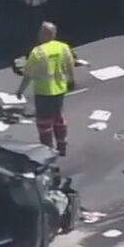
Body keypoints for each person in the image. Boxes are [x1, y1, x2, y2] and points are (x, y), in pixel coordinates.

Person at [15, 22, 77, 155]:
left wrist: (21, 90)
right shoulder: (63, 47)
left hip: (43, 92)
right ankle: (62, 145)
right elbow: (70, 65)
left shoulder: (37, 52)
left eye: (41, 32)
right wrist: (71, 80)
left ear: (46, 34)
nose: (38, 34)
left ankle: (47, 150)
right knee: (58, 118)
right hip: (59, 90)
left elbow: (28, 75)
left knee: (44, 123)